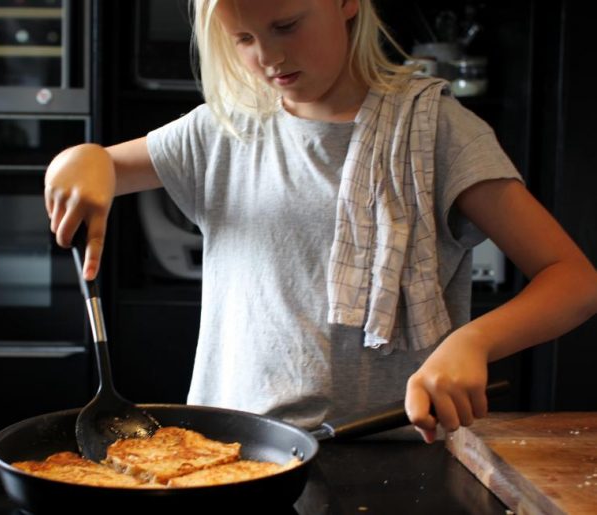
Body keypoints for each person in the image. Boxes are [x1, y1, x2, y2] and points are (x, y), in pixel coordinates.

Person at [44, 0, 597, 443]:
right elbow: (100, 164)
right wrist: (81, 159)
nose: (267, 57)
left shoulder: (437, 132)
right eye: (243, 38)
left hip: (387, 447)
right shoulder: (223, 130)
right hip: (230, 452)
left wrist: (473, 343)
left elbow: (574, 279)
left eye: (286, 25)